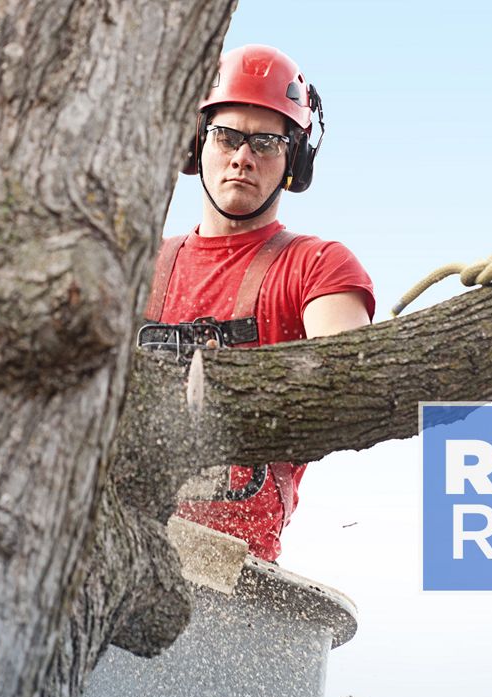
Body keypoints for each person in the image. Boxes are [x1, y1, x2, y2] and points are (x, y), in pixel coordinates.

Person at [142, 44, 375, 562]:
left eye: (266, 142)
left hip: (235, 569)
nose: (242, 157)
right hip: (111, 546)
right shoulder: (141, 266)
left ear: (295, 159)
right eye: (226, 137)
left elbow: (351, 382)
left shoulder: (318, 267)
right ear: (196, 144)